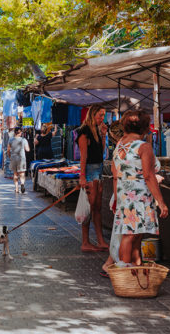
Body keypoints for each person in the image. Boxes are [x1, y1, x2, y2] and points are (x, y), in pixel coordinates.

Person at [112, 110, 168, 266]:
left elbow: (115, 174)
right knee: (130, 235)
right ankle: (124, 270)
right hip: (138, 196)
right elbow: (149, 176)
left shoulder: (120, 144)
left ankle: (135, 268)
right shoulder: (143, 147)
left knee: (135, 235)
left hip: (125, 194)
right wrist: (161, 202)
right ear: (145, 128)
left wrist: (116, 198)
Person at [77, 105, 109, 252]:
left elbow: (100, 152)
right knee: (88, 208)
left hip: (98, 169)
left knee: (97, 207)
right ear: (92, 114)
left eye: (103, 116)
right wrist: (82, 176)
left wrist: (103, 135)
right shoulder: (84, 131)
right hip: (89, 170)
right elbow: (83, 156)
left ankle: (100, 240)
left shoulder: (97, 129)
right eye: (100, 115)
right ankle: (85, 242)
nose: (102, 118)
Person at [6, 127, 29, 194]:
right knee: (22, 173)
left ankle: (16, 189)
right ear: (20, 132)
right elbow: (27, 149)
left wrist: (10, 156)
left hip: (13, 158)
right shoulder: (23, 140)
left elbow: (8, 150)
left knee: (15, 173)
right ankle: (22, 184)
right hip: (22, 158)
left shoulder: (10, 140)